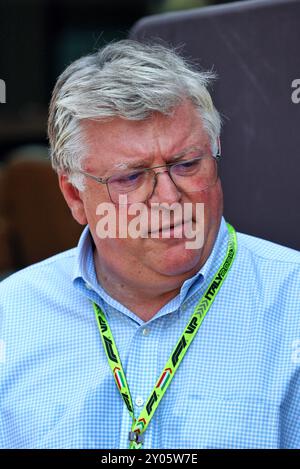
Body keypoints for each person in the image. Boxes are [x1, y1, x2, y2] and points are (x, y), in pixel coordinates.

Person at [0, 40, 300, 450]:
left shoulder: (292, 302)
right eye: (131, 177)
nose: (168, 198)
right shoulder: (10, 317)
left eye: (187, 164)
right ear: (74, 197)